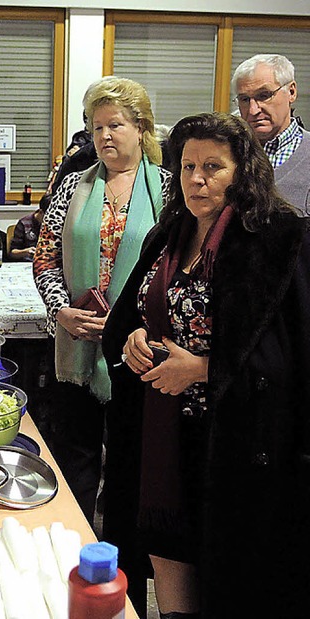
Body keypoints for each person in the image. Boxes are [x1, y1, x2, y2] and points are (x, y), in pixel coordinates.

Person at [102, 112, 310, 619]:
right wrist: (133, 337)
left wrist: (203, 370)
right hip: (163, 432)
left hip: (235, 439)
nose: (197, 178)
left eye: (213, 167)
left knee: (229, 570)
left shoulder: (281, 239)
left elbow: (294, 356)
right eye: (188, 165)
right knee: (166, 548)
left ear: (244, 171)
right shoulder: (169, 231)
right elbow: (136, 312)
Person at [33, 77, 169, 531]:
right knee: (75, 457)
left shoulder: (169, 190)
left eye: (116, 125)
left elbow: (176, 268)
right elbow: (45, 257)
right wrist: (60, 311)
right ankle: (70, 547)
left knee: (131, 464)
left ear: (141, 128)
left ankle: (119, 565)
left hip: (138, 350)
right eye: (96, 128)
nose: (105, 136)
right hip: (78, 341)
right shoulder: (74, 185)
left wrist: (141, 323)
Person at [232, 54, 310, 213]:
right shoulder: (229, 152)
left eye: (264, 95)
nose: (253, 110)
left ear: (291, 92)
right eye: (245, 99)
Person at [9, 193, 50, 261]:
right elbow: (12, 253)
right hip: (27, 263)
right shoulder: (24, 223)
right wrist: (25, 252)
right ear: (40, 212)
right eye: (47, 217)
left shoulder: (55, 224)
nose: (49, 220)